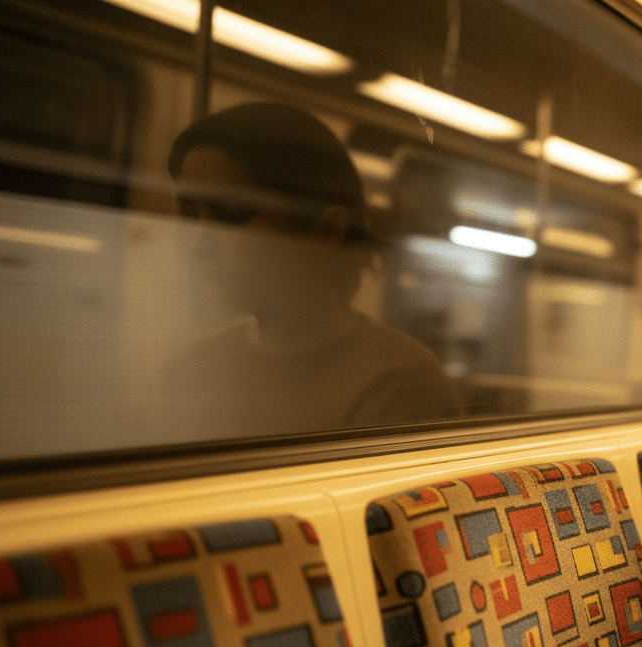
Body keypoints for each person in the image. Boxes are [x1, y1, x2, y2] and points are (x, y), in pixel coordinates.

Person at [154, 102, 459, 441]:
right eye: (189, 213)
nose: (197, 243)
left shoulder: (400, 382)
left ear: (326, 231)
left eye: (231, 214)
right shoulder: (193, 366)